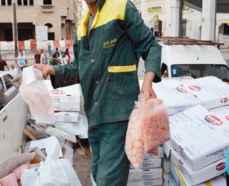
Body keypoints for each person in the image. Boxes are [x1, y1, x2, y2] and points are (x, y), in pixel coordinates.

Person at [34, 0, 161, 185]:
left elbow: (151, 46)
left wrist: (147, 83)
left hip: (118, 112)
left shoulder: (121, 7)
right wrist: (52, 70)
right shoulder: (82, 26)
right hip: (94, 116)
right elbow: (80, 69)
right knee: (97, 175)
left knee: (108, 181)